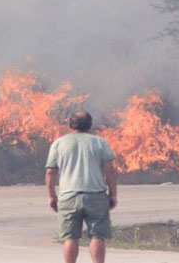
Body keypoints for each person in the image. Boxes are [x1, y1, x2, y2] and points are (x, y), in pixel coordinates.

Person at [45, 111, 117, 263]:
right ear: (90, 125)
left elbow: (51, 171)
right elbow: (109, 170)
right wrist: (112, 194)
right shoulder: (99, 142)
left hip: (68, 196)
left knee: (70, 237)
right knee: (97, 236)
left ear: (70, 125)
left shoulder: (59, 143)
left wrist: (51, 195)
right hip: (96, 196)